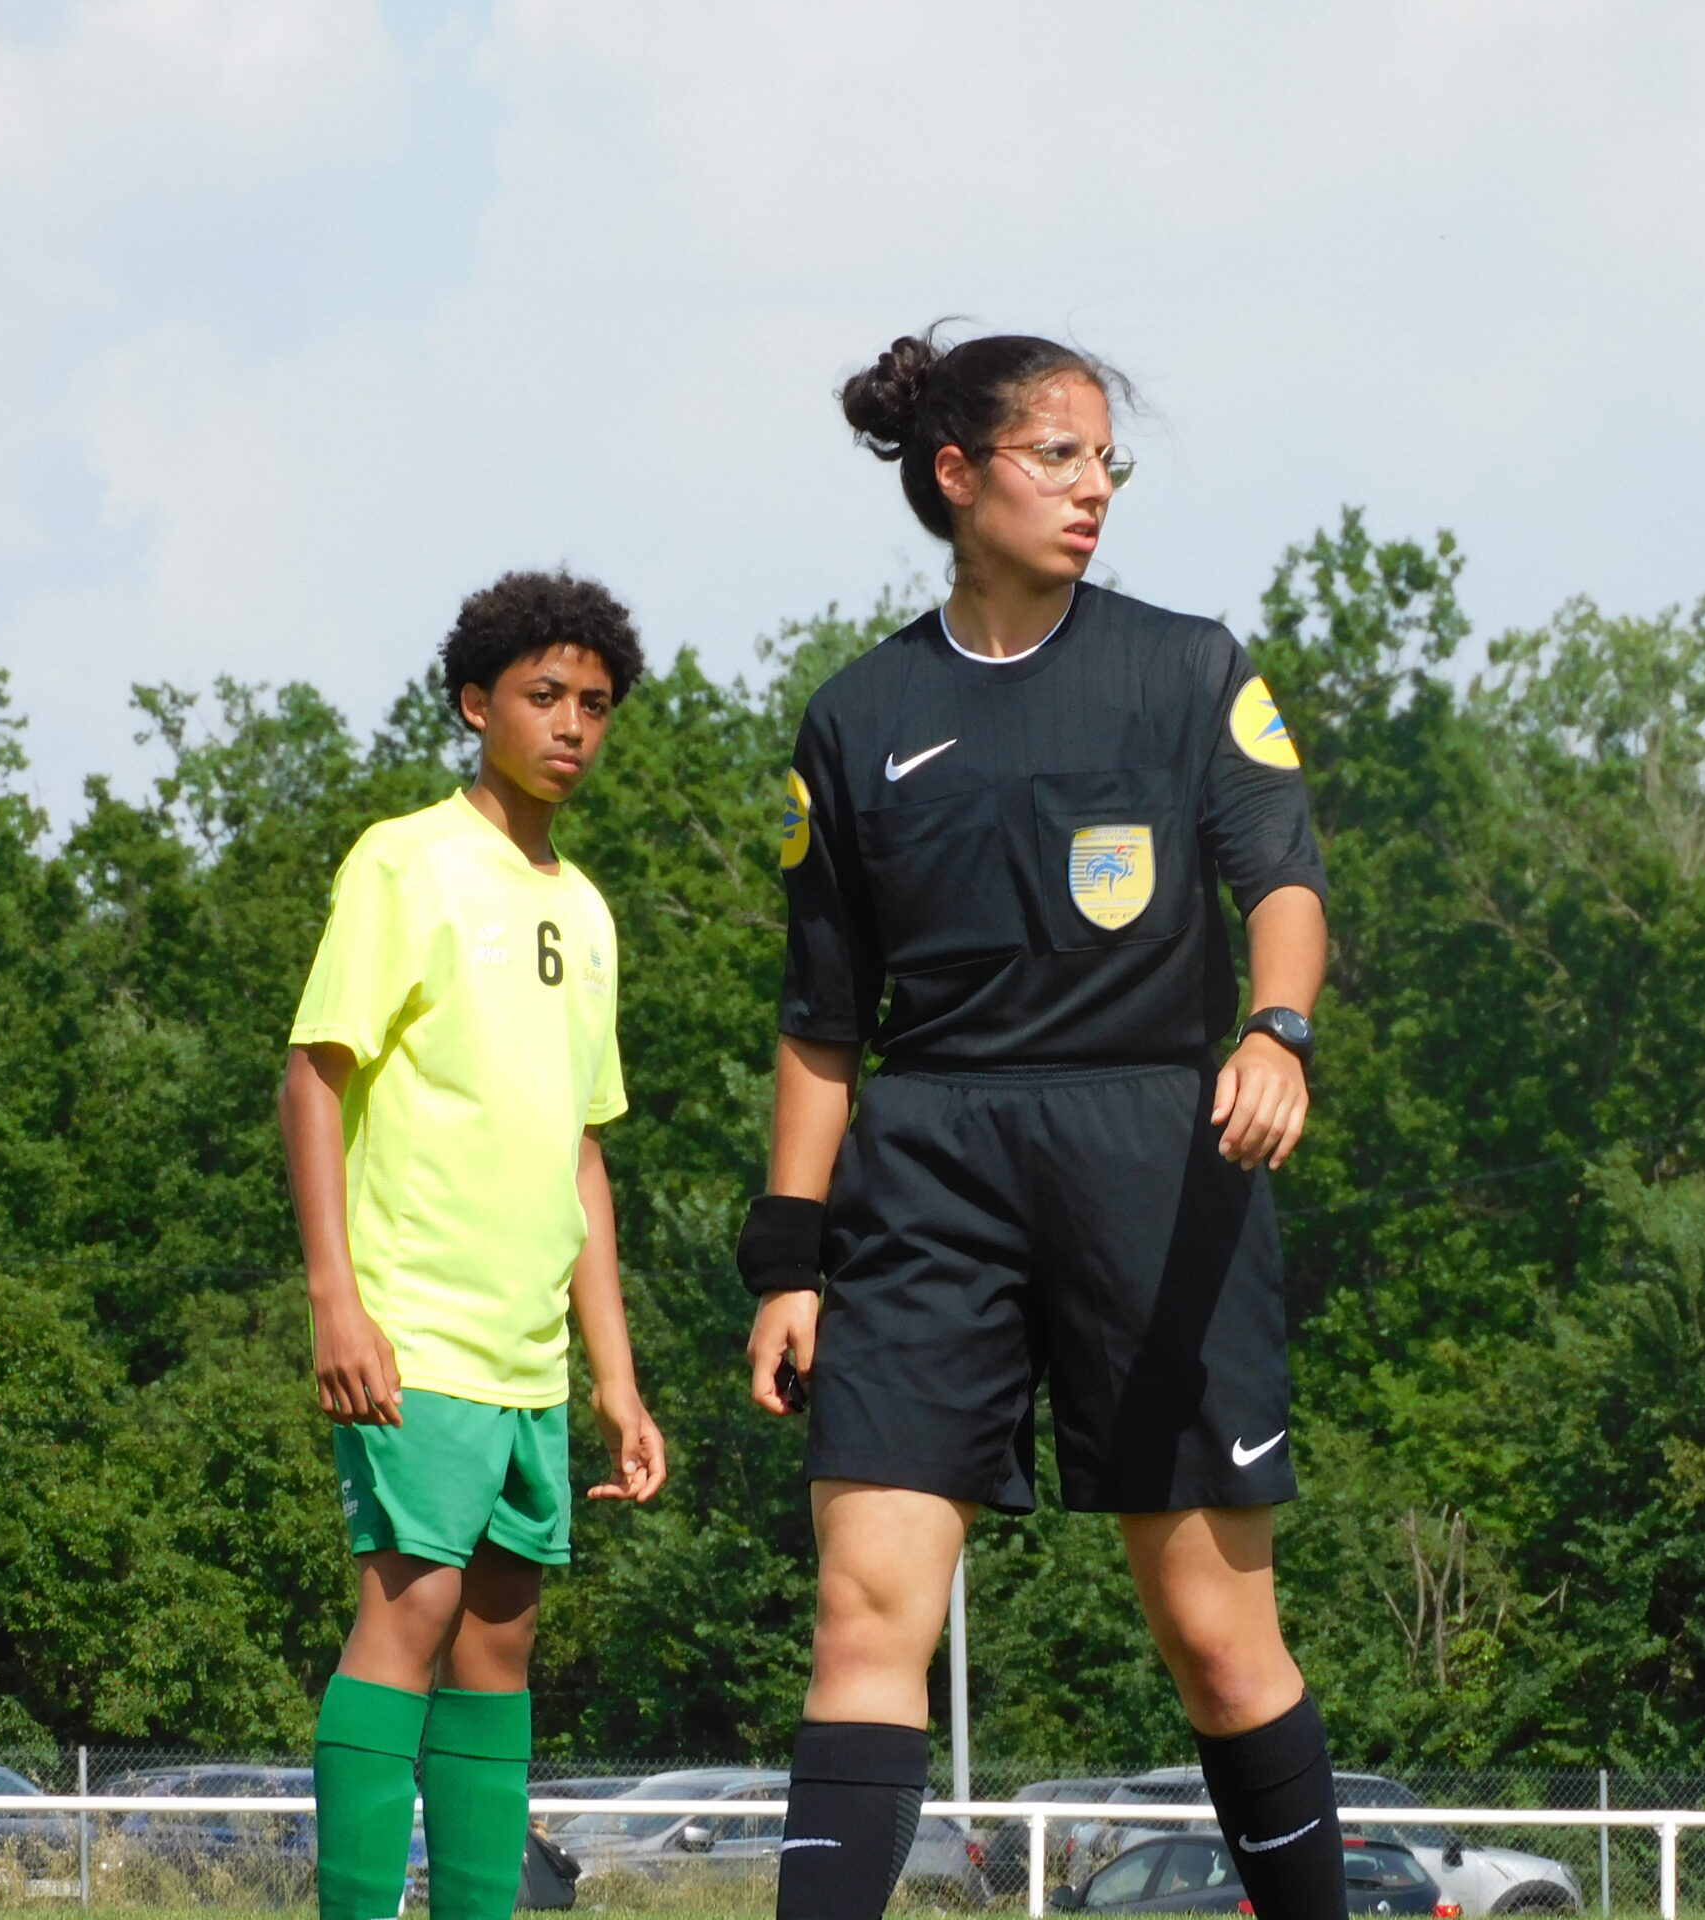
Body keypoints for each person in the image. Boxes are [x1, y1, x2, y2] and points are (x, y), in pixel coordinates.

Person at [737, 326, 1345, 1920]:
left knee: (1216, 1639)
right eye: (1057, 456)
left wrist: (1274, 1031)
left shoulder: (1186, 667)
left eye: (1104, 461)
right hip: (928, 1169)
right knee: (865, 1617)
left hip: (1158, 1155)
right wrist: (786, 1263)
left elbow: (1282, 881)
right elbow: (820, 1026)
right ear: (957, 475)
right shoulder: (856, 717)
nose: (1093, 490)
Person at [280, 570, 669, 1920]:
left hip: (528, 1358)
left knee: (502, 1646)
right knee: (415, 1614)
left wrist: (613, 1381)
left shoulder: (591, 910)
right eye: (544, 695)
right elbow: (314, 1074)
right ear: (476, 703)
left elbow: (580, 1153)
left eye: (596, 705)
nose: (572, 725)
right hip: (416, 1326)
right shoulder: (408, 861)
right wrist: (339, 1300)